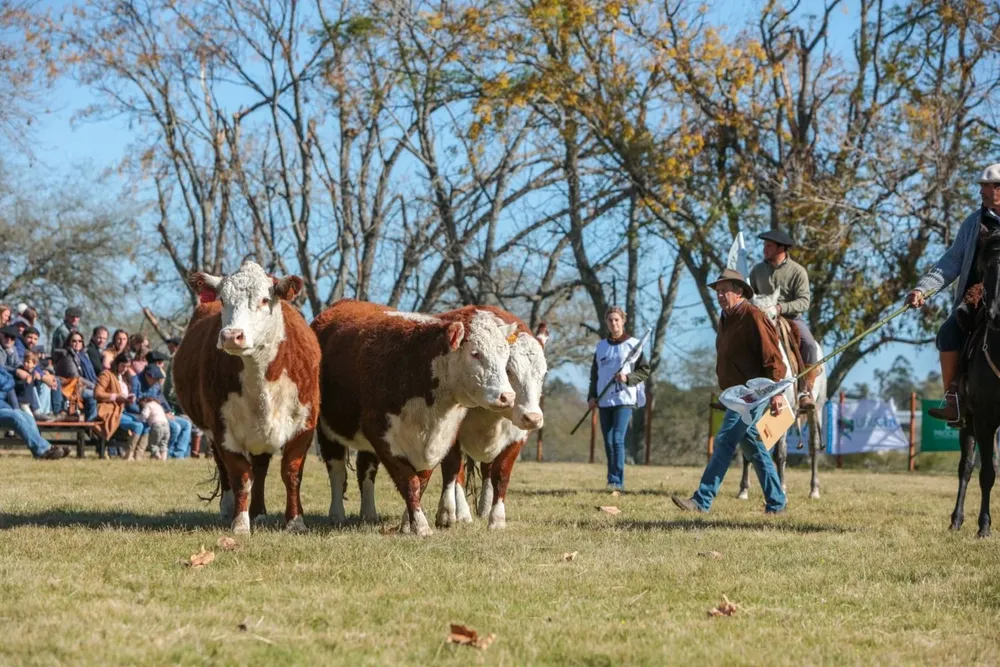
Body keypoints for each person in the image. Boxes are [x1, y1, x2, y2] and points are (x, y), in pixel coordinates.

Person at [671, 268, 787, 515]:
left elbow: (774, 357)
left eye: (724, 291)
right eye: (718, 291)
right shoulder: (725, 318)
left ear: (739, 291)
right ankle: (777, 503)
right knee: (754, 447)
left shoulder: (754, 316)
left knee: (724, 440)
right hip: (735, 395)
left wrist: (777, 392)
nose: (720, 295)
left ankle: (701, 501)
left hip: (753, 394)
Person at [907, 164, 1000, 424]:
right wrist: (921, 289)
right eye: (982, 185)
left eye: (987, 186)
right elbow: (951, 262)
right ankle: (953, 400)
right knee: (947, 333)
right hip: (978, 296)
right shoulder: (973, 223)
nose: (981, 191)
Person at [748, 229, 819, 409]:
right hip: (763, 319)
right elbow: (750, 296)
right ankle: (736, 389)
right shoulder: (757, 270)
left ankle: (805, 391)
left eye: (769, 246)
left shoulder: (798, 271)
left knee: (810, 345)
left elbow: (804, 302)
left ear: (781, 248)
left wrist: (780, 308)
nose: (765, 249)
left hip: (791, 319)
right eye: (764, 245)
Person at [587, 306, 650, 491]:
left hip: (625, 399)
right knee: (608, 441)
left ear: (623, 321)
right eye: (610, 320)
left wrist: (627, 378)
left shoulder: (634, 345)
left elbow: (644, 370)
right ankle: (611, 479)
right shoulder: (601, 347)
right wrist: (592, 396)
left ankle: (617, 481)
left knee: (617, 439)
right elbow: (595, 375)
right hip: (604, 400)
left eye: (617, 320)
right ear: (606, 323)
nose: (613, 323)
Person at [0, 364, 68, 459]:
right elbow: (8, 382)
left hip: (4, 406)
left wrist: (40, 375)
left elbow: (10, 378)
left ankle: (43, 450)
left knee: (28, 418)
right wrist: (8, 382)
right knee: (15, 416)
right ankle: (43, 450)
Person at [94, 351, 143, 458]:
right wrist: (116, 397)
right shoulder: (106, 374)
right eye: (123, 366)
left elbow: (122, 395)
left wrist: (129, 398)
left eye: (127, 367)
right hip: (110, 410)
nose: (125, 369)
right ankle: (129, 455)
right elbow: (97, 394)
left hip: (122, 410)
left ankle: (138, 455)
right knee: (138, 426)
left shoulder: (124, 377)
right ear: (116, 363)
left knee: (145, 424)